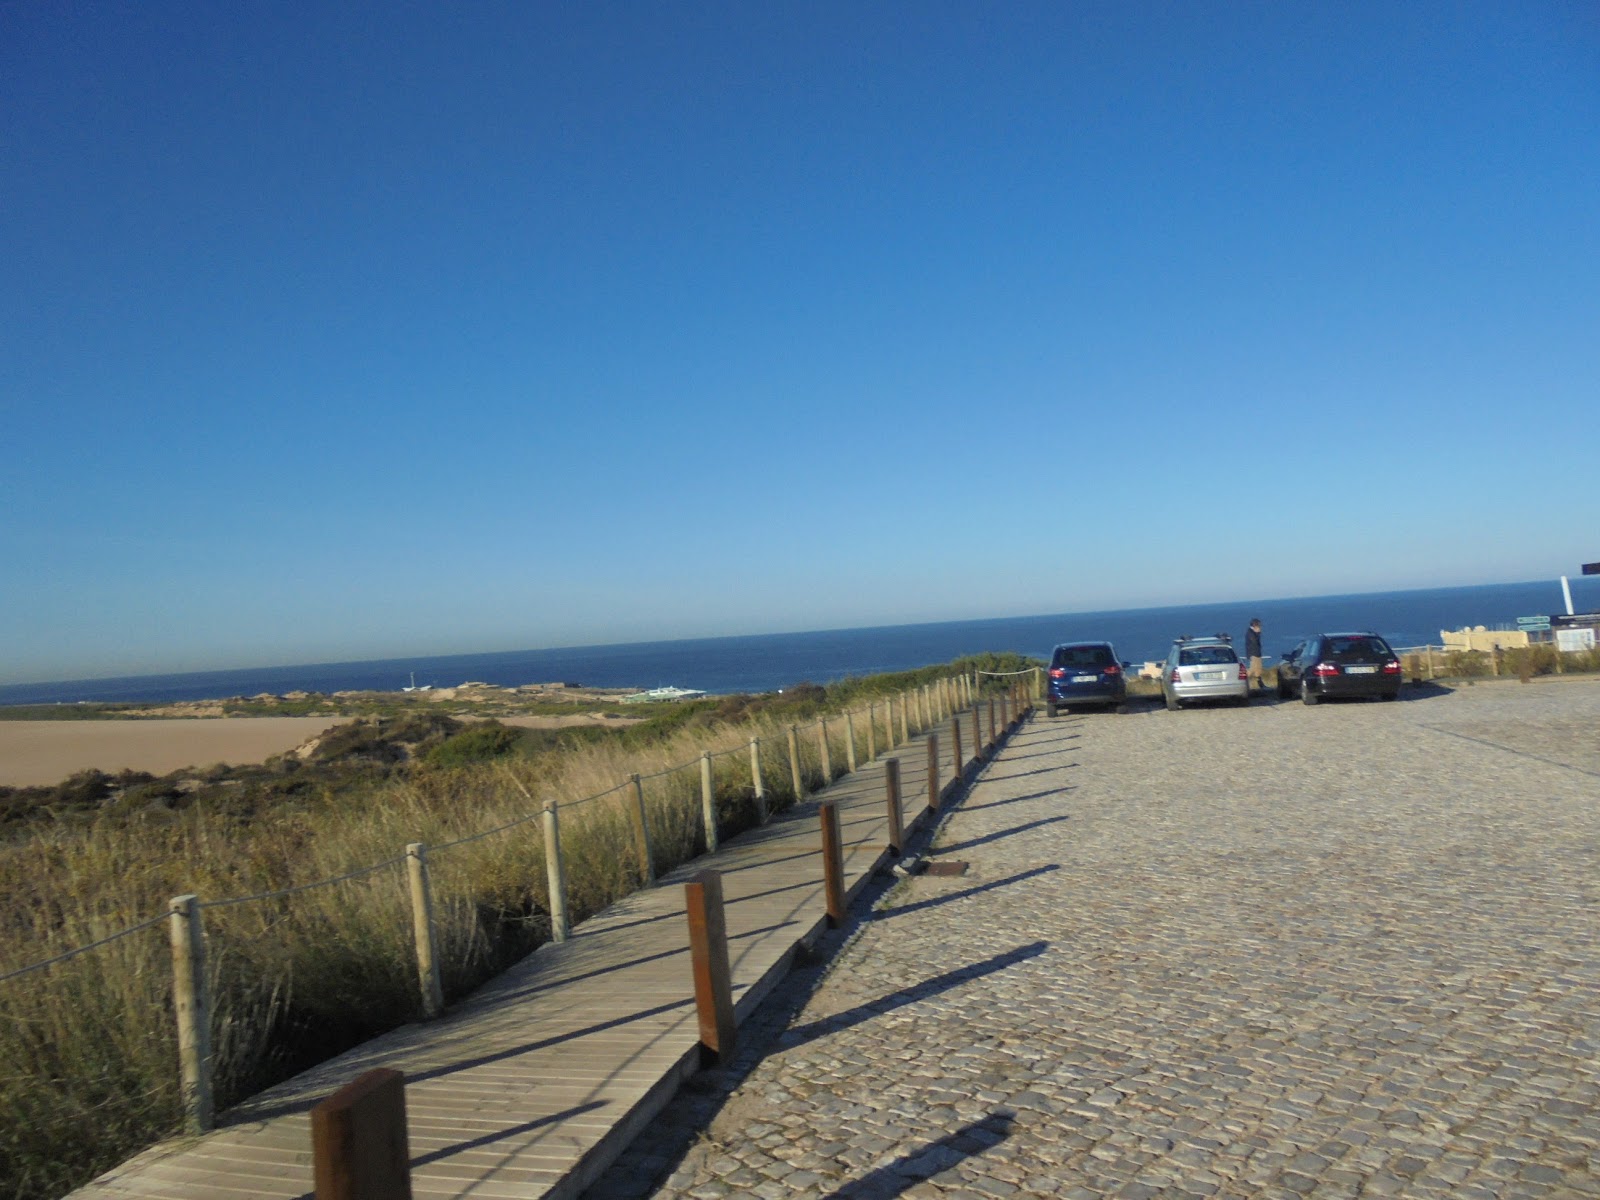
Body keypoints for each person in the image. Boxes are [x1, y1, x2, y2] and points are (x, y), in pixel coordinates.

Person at [1245, 618, 1263, 695]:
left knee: (1258, 670)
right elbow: (1254, 642)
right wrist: (1258, 633)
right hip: (1254, 654)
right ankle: (1243, 679)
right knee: (1252, 669)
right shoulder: (1250, 632)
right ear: (1255, 625)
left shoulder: (1251, 632)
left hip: (1256, 653)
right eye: (1259, 625)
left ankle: (1260, 684)